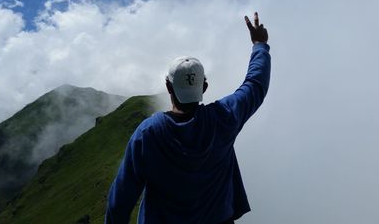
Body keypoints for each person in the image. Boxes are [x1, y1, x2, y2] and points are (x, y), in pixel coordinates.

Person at [105, 12, 271, 224]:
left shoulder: (147, 133)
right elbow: (255, 85)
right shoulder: (225, 117)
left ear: (168, 87)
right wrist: (259, 44)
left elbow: (120, 200)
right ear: (204, 87)